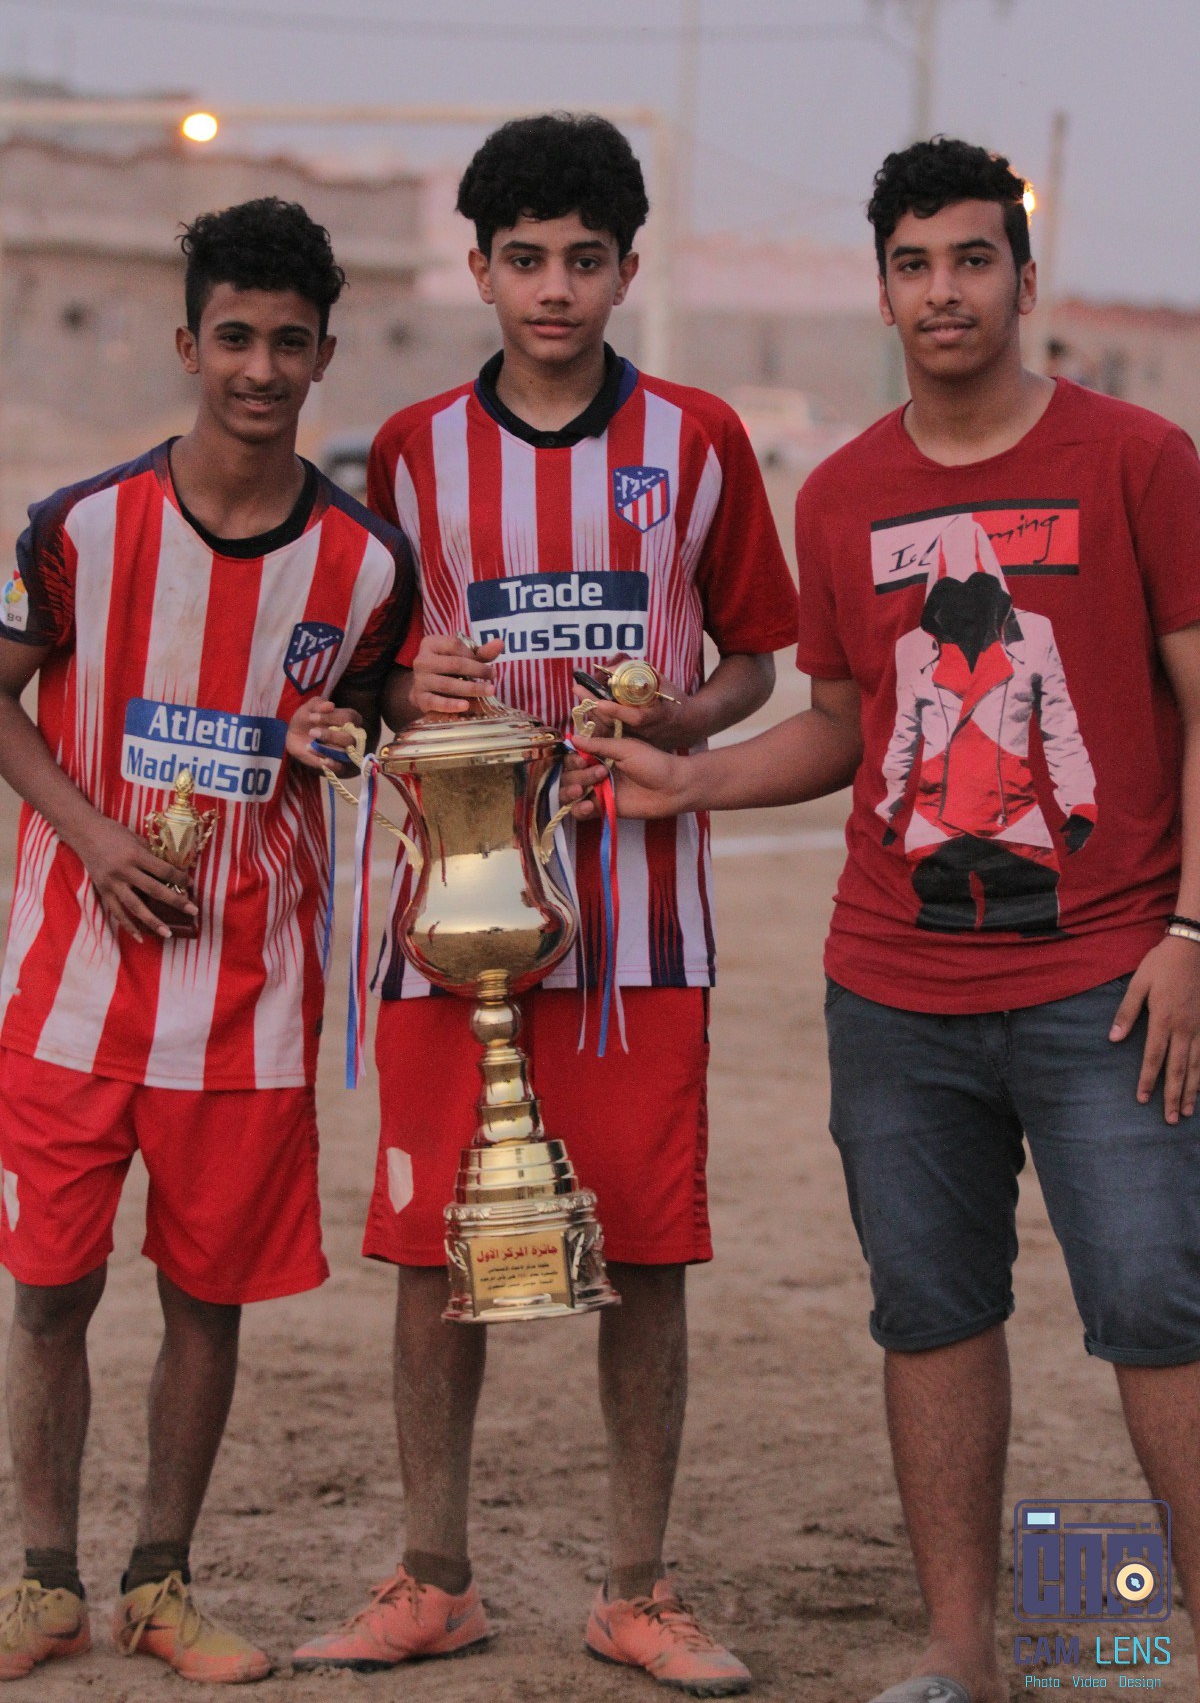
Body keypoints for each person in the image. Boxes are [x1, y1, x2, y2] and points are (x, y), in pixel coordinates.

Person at [563, 137, 1200, 1703]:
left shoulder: (1138, 460)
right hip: (896, 987)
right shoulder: (844, 493)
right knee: (930, 1313)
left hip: (1108, 976)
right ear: (883, 292)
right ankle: (964, 1654)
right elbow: (847, 727)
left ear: (1024, 280)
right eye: (913, 266)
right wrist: (683, 779)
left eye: (972, 260)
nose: (943, 292)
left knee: (1157, 1310)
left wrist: (1193, 938)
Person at [291, 113, 798, 1694]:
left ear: (628, 269)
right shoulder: (410, 449)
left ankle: (637, 1587)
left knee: (647, 1249)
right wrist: (407, 685)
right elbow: (356, 673)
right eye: (527, 259)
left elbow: (754, 660)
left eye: (585, 259)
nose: (556, 288)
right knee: (432, 1245)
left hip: (643, 924)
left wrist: (675, 725)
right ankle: (432, 1575)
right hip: (455, 915)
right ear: (480, 270)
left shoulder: (700, 439)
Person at [0, 198, 412, 1683]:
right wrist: (94, 837)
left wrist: (334, 739)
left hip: (249, 999)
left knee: (205, 1299)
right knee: (50, 1293)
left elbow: (356, 728)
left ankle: (159, 1584)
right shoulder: (76, 529)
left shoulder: (367, 567)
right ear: (189, 344)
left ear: (324, 357)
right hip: (70, 990)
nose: (260, 368)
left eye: (289, 343)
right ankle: (43, 1582)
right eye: (234, 337)